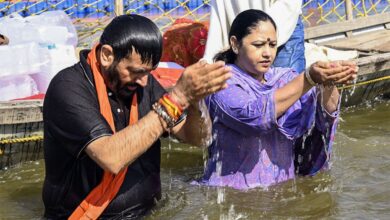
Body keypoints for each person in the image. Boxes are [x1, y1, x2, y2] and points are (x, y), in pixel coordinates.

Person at [42, 14, 231, 219]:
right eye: (136, 72)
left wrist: (194, 102)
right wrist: (177, 98)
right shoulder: (68, 87)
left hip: (147, 212)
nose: (143, 81)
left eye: (149, 72)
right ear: (107, 55)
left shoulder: (143, 81)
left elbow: (198, 138)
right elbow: (111, 158)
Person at [198, 9, 358, 190]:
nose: (267, 53)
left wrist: (329, 82)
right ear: (235, 44)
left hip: (282, 190)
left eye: (272, 45)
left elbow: (323, 117)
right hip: (233, 195)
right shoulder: (220, 83)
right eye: (258, 45)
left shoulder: (284, 78)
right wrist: (309, 78)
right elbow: (255, 117)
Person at [203, 0, 305, 73]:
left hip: (283, 24)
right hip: (243, 34)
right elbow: (219, 12)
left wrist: (259, 31)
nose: (267, 53)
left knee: (289, 93)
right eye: (259, 44)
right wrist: (209, 58)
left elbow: (288, 4)